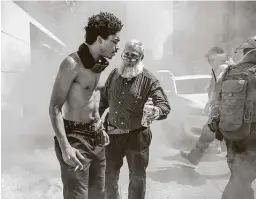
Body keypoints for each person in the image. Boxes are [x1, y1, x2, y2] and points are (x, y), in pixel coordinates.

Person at [49, 12, 123, 199]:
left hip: (97, 138)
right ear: (100, 39)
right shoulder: (72, 64)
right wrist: (65, 147)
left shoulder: (100, 65)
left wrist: (100, 127)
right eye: (114, 41)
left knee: (99, 195)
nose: (117, 48)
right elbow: (55, 108)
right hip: (76, 139)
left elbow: (93, 100)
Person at [99, 40, 171, 199]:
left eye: (134, 56)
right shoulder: (114, 74)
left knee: (137, 178)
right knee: (109, 175)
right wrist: (101, 127)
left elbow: (164, 105)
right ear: (122, 54)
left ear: (141, 57)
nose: (129, 58)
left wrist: (156, 110)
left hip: (137, 136)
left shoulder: (149, 79)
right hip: (113, 134)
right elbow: (103, 101)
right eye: (127, 54)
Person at [208, 36, 256, 199]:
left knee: (239, 176)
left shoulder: (228, 71)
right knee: (242, 179)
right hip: (252, 134)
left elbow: (215, 100)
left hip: (231, 132)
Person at [180, 46, 234, 165]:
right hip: (226, 108)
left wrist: (209, 104)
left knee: (211, 133)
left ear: (218, 56)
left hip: (222, 109)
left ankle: (239, 167)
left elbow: (217, 88)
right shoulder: (227, 66)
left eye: (211, 60)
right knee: (211, 134)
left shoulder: (222, 68)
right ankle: (194, 157)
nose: (209, 63)